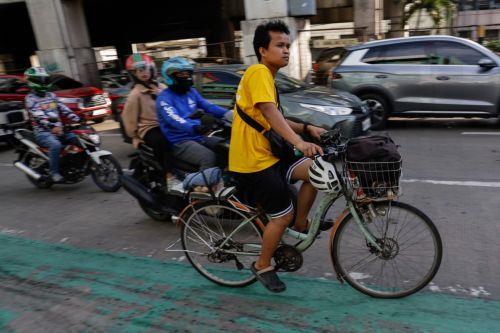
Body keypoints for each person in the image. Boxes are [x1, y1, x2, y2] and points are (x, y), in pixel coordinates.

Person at [228, 20, 326, 293]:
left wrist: (307, 128)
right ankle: (262, 264)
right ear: (262, 49)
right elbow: (271, 114)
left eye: (287, 46)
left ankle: (301, 223)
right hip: (252, 163)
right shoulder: (258, 72)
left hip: (269, 155)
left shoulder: (267, 78)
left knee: (317, 171)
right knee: (279, 217)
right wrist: (299, 141)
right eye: (279, 45)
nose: (286, 51)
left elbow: (276, 118)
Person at [156, 56, 229, 172]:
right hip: (180, 141)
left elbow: (208, 106)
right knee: (208, 157)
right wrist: (193, 127)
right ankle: (204, 187)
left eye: (188, 74)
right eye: (182, 75)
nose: (187, 77)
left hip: (198, 136)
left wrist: (229, 113)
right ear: (170, 77)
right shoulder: (164, 98)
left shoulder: (191, 92)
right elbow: (174, 119)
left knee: (226, 148)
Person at [121, 53, 180, 188]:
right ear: (134, 74)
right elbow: (128, 119)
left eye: (145, 69)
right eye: (139, 70)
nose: (143, 73)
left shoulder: (162, 88)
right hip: (149, 128)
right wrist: (135, 137)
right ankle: (169, 176)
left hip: (167, 123)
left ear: (151, 69)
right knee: (164, 142)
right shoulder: (135, 95)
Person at [24, 67, 80, 182]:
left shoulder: (51, 95)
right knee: (56, 145)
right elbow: (38, 115)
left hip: (59, 129)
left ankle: (75, 165)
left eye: (45, 80)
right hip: (43, 133)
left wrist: (76, 117)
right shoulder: (30, 98)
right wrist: (52, 126)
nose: (43, 83)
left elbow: (62, 107)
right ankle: (53, 173)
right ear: (33, 82)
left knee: (77, 138)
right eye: (40, 80)